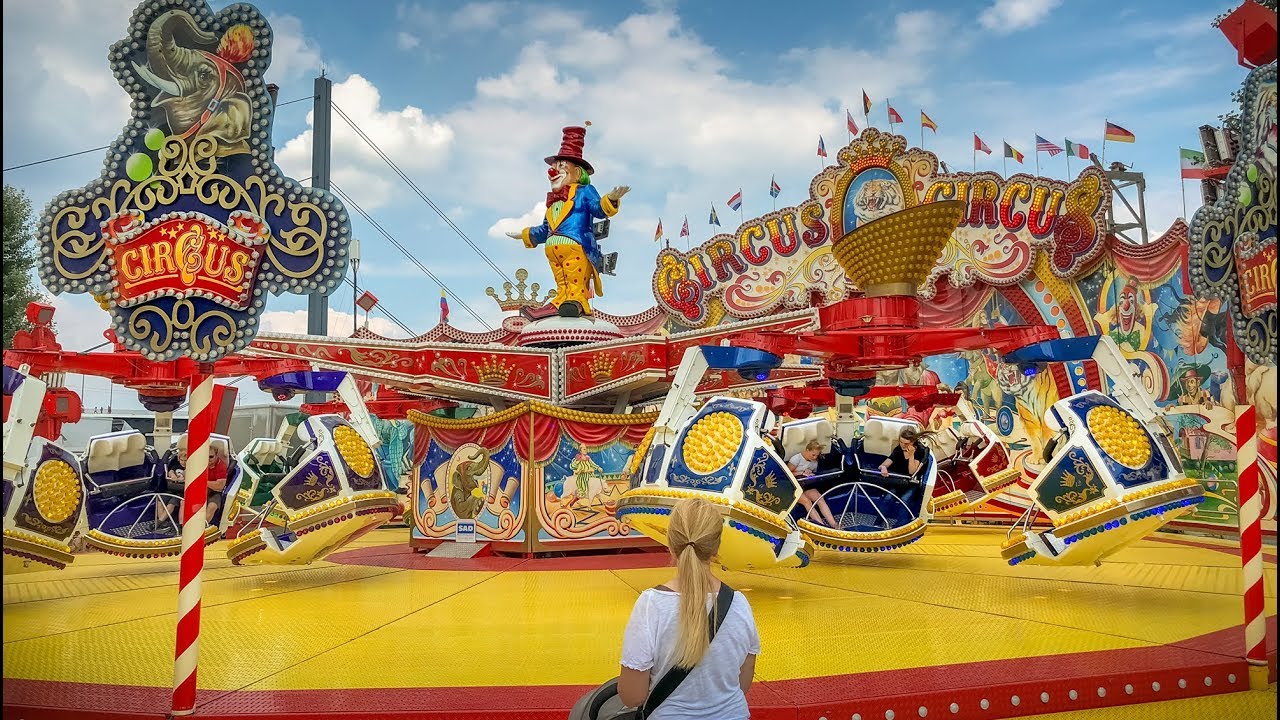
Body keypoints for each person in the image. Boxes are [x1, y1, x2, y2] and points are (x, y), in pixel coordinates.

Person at [619, 497, 759, 719]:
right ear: (716, 546)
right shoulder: (739, 604)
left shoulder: (651, 605)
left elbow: (633, 696)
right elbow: (742, 683)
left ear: (670, 543)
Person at [788, 441, 838, 527]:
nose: (814, 457)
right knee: (807, 502)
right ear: (807, 450)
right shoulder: (796, 459)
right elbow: (786, 473)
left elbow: (813, 473)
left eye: (816, 455)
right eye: (813, 455)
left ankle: (834, 525)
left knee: (820, 499)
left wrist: (811, 474)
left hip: (805, 484)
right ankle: (821, 526)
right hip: (793, 486)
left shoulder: (814, 462)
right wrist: (802, 472)